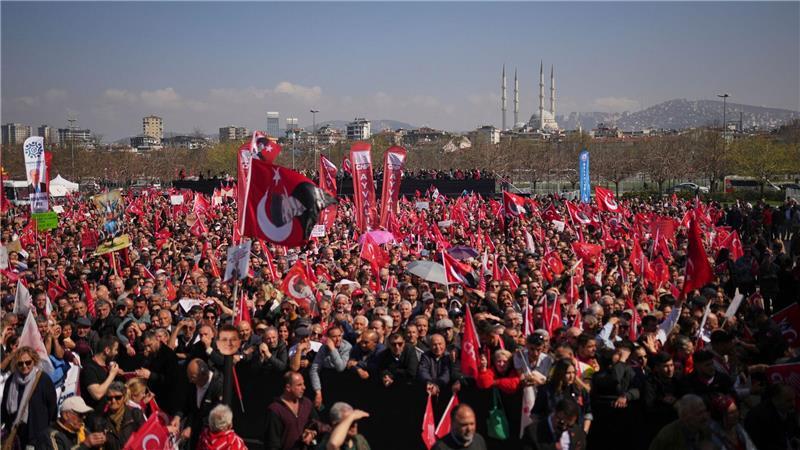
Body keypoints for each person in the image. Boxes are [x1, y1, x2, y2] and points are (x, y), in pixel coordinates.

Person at [1, 346, 57, 448]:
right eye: (20, 363)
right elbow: (5, 407)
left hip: (37, 434)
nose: (24, 366)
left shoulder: (43, 379)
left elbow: (52, 407)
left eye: (28, 362)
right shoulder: (11, 380)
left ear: (34, 361)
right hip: (16, 435)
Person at [532, 358, 592, 434]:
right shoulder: (547, 391)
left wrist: (584, 431)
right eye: (568, 373)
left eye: (573, 373)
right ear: (560, 373)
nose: (571, 376)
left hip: (575, 434)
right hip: (551, 433)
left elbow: (588, 413)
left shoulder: (579, 391)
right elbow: (535, 414)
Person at [265, 371, 320, 450]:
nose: (304, 387)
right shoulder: (275, 410)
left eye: (303, 384)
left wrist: (311, 434)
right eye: (299, 385)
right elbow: (272, 443)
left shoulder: (306, 403)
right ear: (288, 388)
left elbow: (317, 425)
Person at [134, 329, 181, 416]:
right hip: (151, 397)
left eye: (149, 345)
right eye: (145, 346)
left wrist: (151, 375)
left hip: (166, 400)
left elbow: (172, 380)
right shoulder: (149, 354)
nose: (147, 349)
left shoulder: (168, 355)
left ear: (157, 339)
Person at [180, 358, 223, 449]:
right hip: (195, 434)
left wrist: (192, 428)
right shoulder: (193, 384)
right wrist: (178, 417)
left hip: (210, 436)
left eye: (192, 378)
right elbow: (190, 407)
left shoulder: (218, 385)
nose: (190, 381)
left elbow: (216, 416)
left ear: (203, 376)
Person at [744, 383, 800, 450]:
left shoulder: (788, 410)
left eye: (794, 399)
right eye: (788, 401)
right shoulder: (757, 417)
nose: (793, 404)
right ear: (776, 399)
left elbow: (795, 431)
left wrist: (794, 439)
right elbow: (761, 444)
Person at [648, 394, 713, 450]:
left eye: (705, 411)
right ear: (685, 416)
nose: (705, 417)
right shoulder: (667, 437)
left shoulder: (706, 430)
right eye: (699, 413)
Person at [39, 396, 107, 449]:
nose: (84, 418)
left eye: (85, 415)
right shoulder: (51, 435)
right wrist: (86, 444)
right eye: (80, 415)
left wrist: (97, 445)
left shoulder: (83, 431)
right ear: (66, 415)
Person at [310, 325, 352, 408]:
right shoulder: (323, 348)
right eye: (334, 337)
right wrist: (318, 391)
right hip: (327, 379)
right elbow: (314, 369)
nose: (338, 339)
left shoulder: (347, 347)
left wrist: (333, 349)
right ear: (328, 338)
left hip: (341, 382)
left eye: (339, 336)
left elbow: (340, 367)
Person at [521, 398, 586, 450]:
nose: (564, 428)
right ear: (555, 413)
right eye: (561, 422)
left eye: (569, 425)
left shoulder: (578, 432)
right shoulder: (532, 432)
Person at [79, 335, 121, 411]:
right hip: (95, 417)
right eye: (116, 350)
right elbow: (97, 394)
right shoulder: (89, 368)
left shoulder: (107, 365)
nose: (117, 353)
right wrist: (112, 375)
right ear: (107, 350)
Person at [101, 381, 145, 446]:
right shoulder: (100, 420)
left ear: (124, 397)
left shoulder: (135, 414)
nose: (113, 401)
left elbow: (145, 437)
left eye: (118, 397)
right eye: (109, 398)